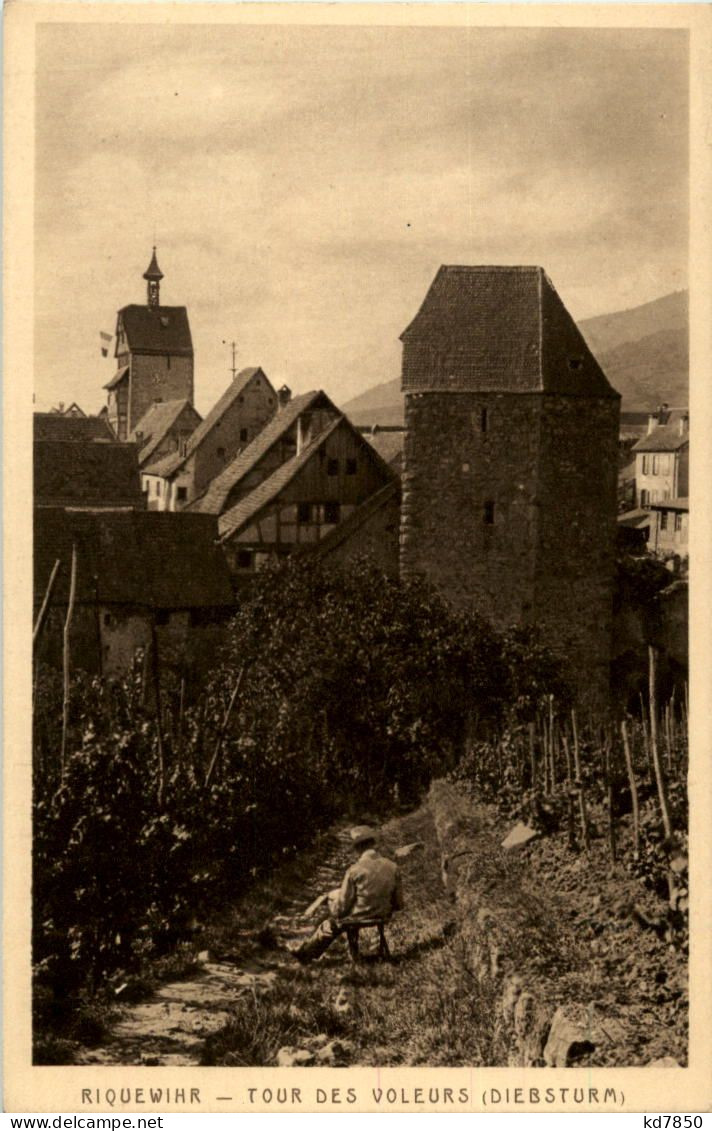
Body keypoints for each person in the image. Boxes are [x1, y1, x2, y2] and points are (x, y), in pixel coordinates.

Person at [292, 825, 403, 964]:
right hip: (383, 915)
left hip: (359, 917)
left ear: (357, 849)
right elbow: (399, 903)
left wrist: (332, 907)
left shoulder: (354, 871)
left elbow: (342, 907)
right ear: (373, 844)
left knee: (330, 924)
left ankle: (306, 954)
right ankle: (367, 952)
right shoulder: (393, 866)